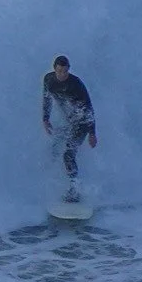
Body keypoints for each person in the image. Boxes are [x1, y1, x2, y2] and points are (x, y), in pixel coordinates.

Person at [41, 55, 97, 194]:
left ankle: (75, 189)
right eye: (59, 71)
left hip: (82, 123)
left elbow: (88, 108)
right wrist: (46, 119)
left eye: (65, 71)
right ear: (54, 69)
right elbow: (47, 98)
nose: (62, 74)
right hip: (70, 121)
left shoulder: (75, 84)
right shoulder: (49, 80)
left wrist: (92, 133)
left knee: (68, 154)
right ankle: (55, 182)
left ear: (69, 70)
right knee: (54, 147)